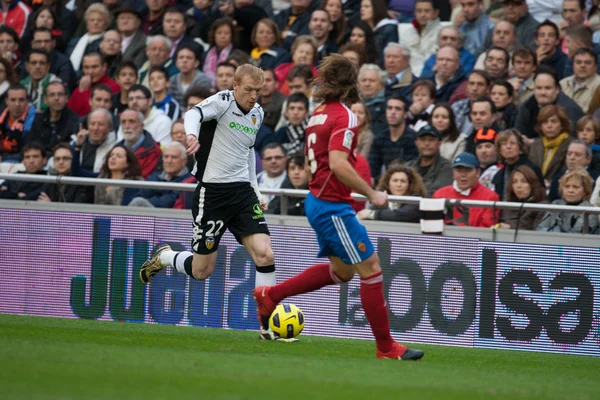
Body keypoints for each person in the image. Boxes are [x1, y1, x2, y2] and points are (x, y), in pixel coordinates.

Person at [254, 54, 424, 359]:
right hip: (332, 206)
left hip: (319, 201)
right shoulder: (345, 116)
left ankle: (271, 295)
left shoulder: (317, 114)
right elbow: (337, 163)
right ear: (351, 83)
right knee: (371, 269)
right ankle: (386, 348)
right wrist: (372, 194)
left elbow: (316, 166)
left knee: (342, 272)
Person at [139, 64, 280, 341]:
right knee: (203, 270)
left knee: (265, 254)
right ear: (236, 86)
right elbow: (193, 113)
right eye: (249, 90)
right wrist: (191, 134)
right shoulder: (222, 102)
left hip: (242, 194)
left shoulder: (257, 113)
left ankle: (267, 327)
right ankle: (166, 257)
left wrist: (256, 188)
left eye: (258, 91)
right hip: (211, 195)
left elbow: (248, 151)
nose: (253, 96)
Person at [433, 152, 500, 227]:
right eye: (459, 170)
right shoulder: (439, 194)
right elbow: (433, 226)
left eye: (467, 170)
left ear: (478, 172)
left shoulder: (490, 197)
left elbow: (486, 232)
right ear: (453, 173)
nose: (463, 175)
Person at [128, 141, 194, 208]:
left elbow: (169, 202)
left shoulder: (190, 181)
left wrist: (147, 200)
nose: (169, 161)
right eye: (166, 157)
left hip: (171, 217)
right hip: (148, 215)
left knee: (139, 202)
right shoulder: (154, 176)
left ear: (184, 161)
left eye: (174, 157)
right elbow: (139, 195)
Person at [368, 95, 418, 182]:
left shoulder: (413, 139)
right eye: (389, 108)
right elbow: (373, 169)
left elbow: (411, 170)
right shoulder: (380, 138)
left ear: (405, 114)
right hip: (385, 184)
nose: (393, 112)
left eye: (398, 109)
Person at [537, 169, 599, 234]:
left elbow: (574, 237)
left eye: (576, 187)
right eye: (567, 186)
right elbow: (540, 229)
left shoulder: (589, 212)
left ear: (585, 191)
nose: (570, 190)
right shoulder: (556, 204)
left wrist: (554, 231)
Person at [357, 165, 426, 222]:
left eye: (403, 181)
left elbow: (401, 215)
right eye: (395, 181)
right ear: (388, 183)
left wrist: (372, 214)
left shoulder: (415, 200)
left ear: (410, 184)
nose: (398, 184)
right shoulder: (381, 198)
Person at [492, 128, 544, 200]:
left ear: (520, 147)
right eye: (504, 144)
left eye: (512, 143)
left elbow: (540, 195)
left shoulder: (531, 169)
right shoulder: (499, 175)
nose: (508, 147)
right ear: (500, 149)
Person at [29, 81, 79, 154]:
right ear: (45, 100)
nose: (56, 98)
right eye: (52, 95)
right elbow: (31, 144)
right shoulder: (38, 119)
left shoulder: (75, 121)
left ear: (66, 99)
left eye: (60, 94)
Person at [528, 104, 573, 185]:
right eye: (545, 122)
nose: (549, 126)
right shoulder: (535, 145)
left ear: (562, 125)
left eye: (554, 121)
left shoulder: (571, 145)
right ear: (540, 126)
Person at [406, 124, 453, 196]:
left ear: (439, 143)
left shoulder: (447, 167)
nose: (426, 143)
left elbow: (437, 192)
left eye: (431, 140)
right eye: (423, 139)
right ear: (416, 143)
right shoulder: (408, 166)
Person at [497, 165, 548, 230]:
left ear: (532, 184)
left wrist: (510, 228)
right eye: (515, 182)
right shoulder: (507, 206)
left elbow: (536, 234)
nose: (518, 186)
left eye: (524, 181)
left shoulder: (541, 207)